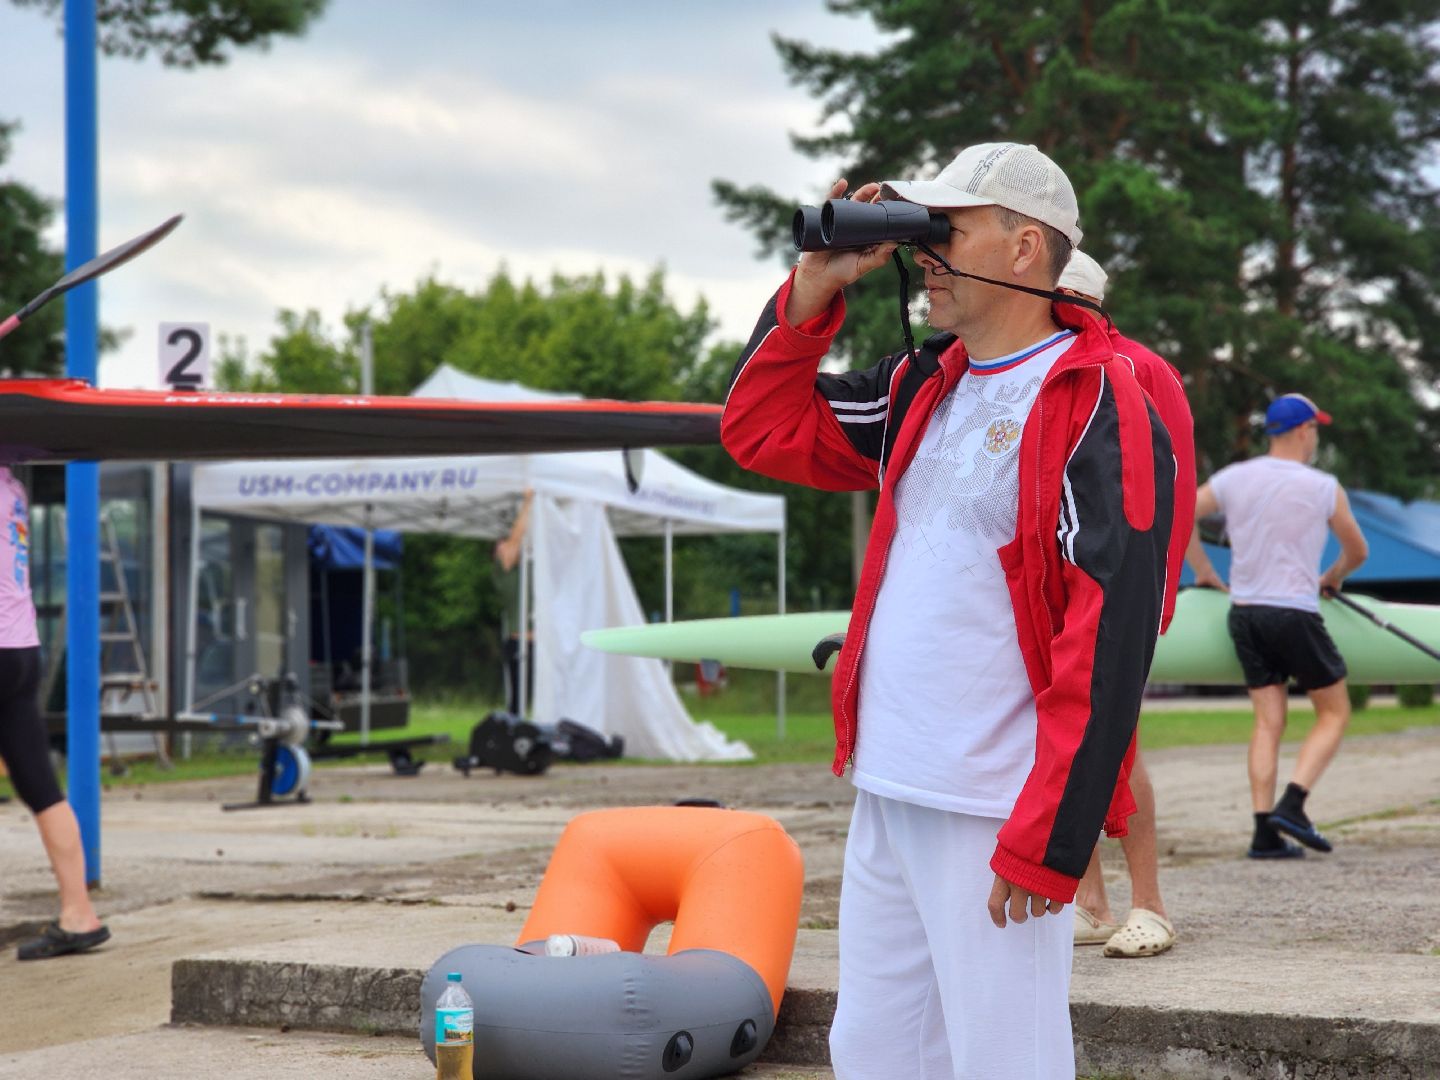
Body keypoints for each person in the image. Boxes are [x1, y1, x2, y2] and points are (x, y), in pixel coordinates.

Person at [722, 142, 1174, 1079]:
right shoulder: (920, 384)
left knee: (1005, 1059)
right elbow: (761, 429)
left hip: (992, 803)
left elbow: (1112, 633)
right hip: (890, 786)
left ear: (1023, 249)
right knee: (875, 1053)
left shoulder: (1100, 397)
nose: (925, 252)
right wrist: (814, 288)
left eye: (948, 229)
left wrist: (1049, 836)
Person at [1058, 251, 1195, 959]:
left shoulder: (1140, 367)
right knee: (1065, 740)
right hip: (1056, 590)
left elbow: (1175, 482)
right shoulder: (1041, 366)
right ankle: (1092, 899)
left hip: (1122, 592)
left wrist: (1158, 595)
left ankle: (1151, 903)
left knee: (1118, 740)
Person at [1186, 395, 1368, 857]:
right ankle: (1295, 803)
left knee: (1269, 723)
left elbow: (1179, 513)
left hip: (1245, 615)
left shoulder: (1233, 478)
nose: (1316, 438)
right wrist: (1333, 577)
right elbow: (1357, 551)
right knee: (1335, 711)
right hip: (1293, 612)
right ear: (1305, 430)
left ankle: (1264, 833)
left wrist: (1204, 570)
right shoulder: (1324, 487)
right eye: (1316, 430)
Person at [0, 466, 110, 960]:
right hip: (21, 648)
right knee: (41, 789)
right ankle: (78, 913)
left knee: (38, 786)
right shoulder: (12, 487)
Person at [493, 488, 534, 715]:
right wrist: (528, 503)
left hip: (539, 643)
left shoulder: (527, 569)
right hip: (519, 643)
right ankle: (512, 733)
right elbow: (516, 538)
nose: (507, 545)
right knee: (518, 699)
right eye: (502, 546)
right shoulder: (503, 571)